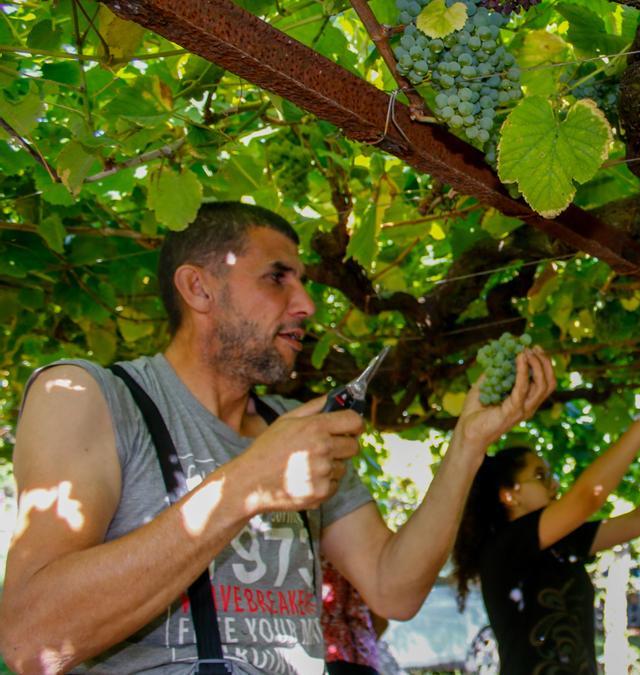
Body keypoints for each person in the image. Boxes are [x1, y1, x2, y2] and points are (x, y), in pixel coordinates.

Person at [0, 201, 555, 674]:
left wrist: (468, 444)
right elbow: (31, 640)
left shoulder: (292, 425)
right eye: (277, 277)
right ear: (198, 288)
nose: (306, 305)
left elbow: (394, 588)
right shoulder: (85, 396)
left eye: (304, 282)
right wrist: (248, 483)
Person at [450, 383, 640, 674]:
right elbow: (589, 495)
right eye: (540, 475)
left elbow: (639, 521)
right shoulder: (504, 547)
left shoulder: (559, 543)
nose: (553, 483)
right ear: (508, 494)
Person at [321, 559, 388, 675]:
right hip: (363, 653)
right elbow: (382, 621)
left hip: (339, 652)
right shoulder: (365, 562)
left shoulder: (316, 557)